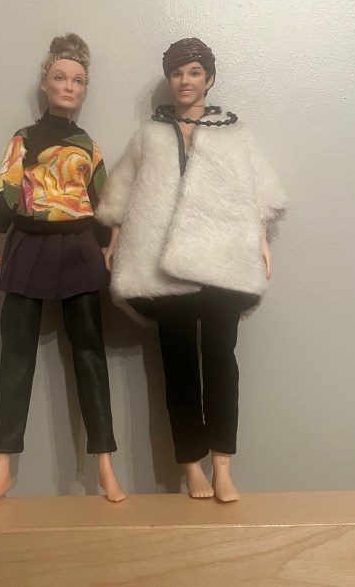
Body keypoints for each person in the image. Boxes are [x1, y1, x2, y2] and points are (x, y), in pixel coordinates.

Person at [98, 37, 287, 502]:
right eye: (177, 72)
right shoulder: (149, 134)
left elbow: (257, 190)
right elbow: (123, 188)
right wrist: (114, 239)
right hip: (161, 265)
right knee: (178, 366)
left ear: (210, 79)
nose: (185, 80)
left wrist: (260, 238)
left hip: (222, 259)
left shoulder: (233, 132)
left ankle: (223, 465)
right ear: (169, 79)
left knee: (222, 361)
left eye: (195, 72)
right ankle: (191, 466)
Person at [0, 33, 125, 512]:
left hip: (80, 247)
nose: (68, 86)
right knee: (16, 356)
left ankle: (105, 463)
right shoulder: (24, 139)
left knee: (89, 353)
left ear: (85, 90)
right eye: (60, 77)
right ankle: (2, 469)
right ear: (45, 83)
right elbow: (6, 189)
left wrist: (110, 248)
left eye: (77, 80)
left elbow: (105, 204)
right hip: (27, 245)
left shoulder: (88, 146)